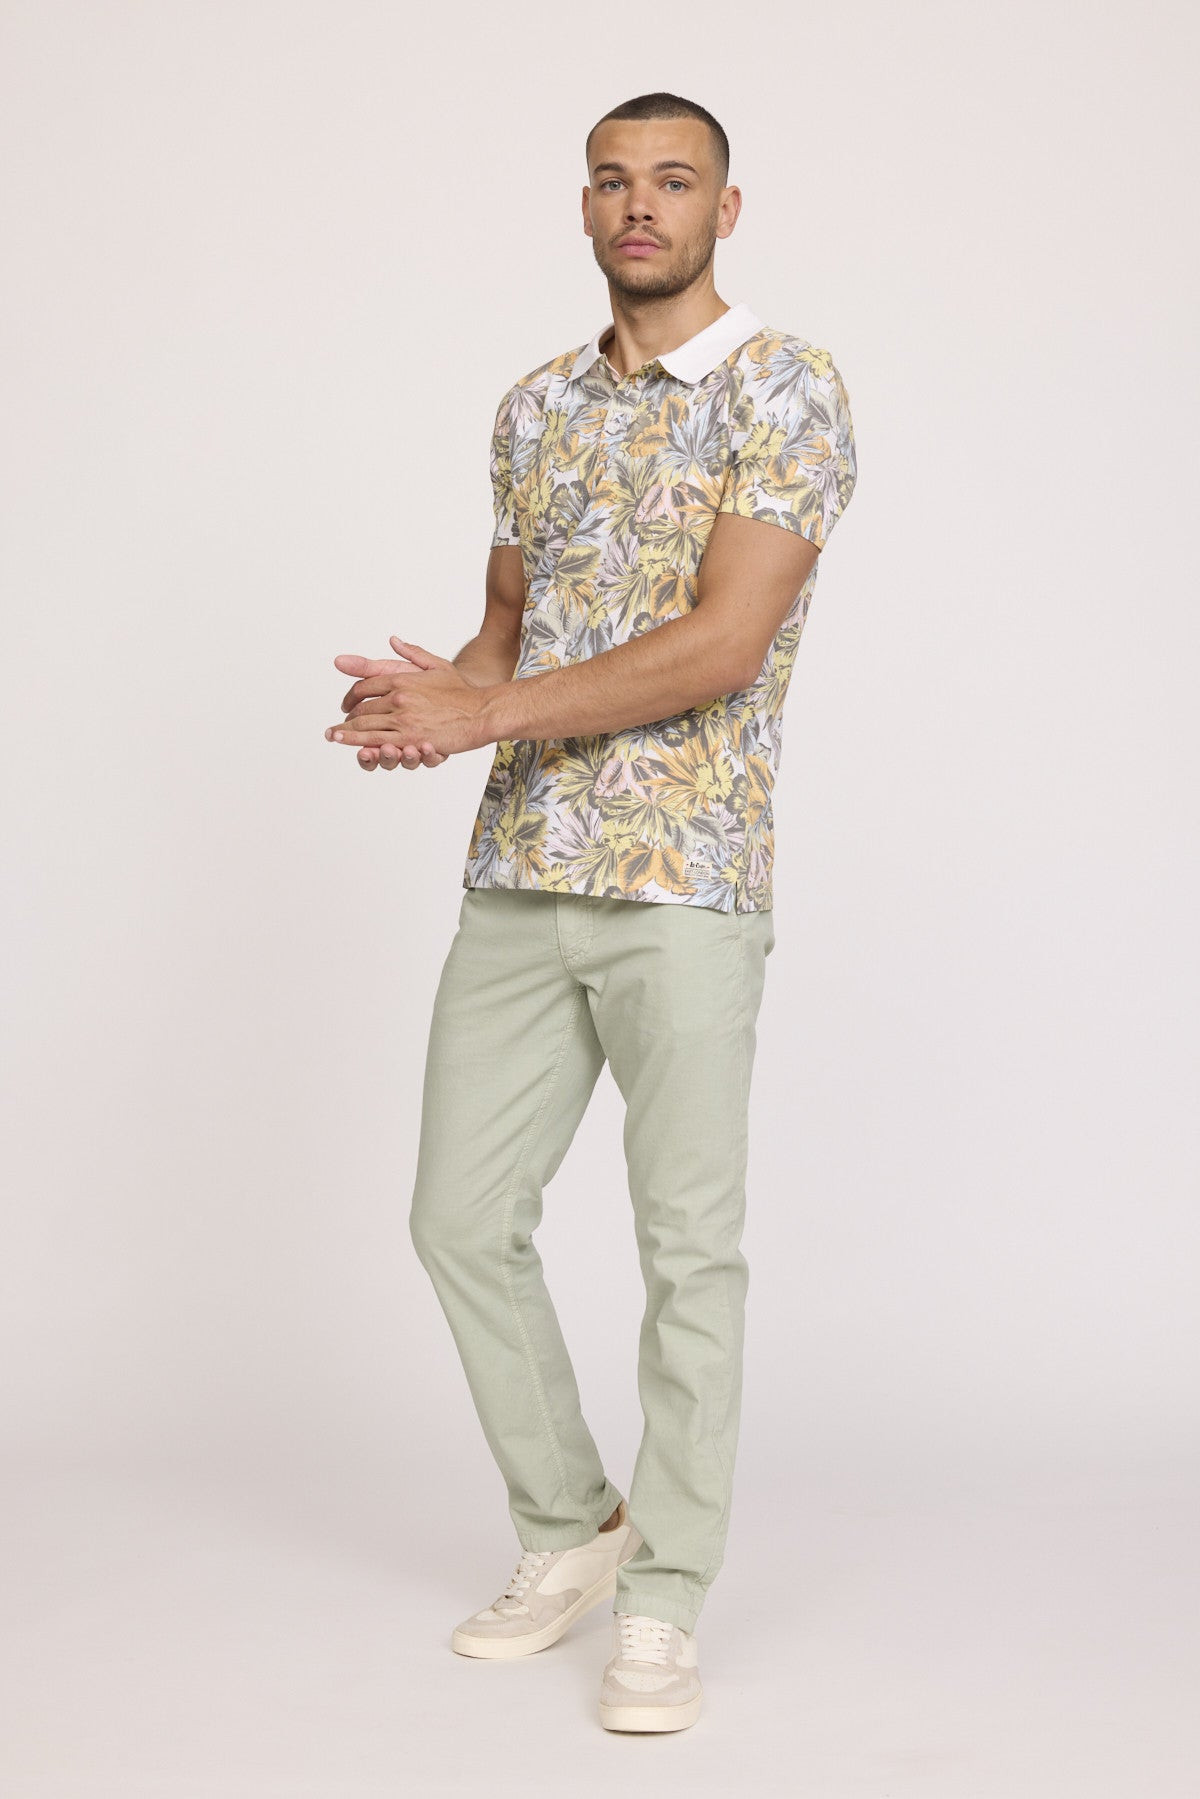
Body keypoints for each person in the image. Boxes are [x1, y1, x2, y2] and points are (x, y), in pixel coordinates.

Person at [324, 90, 858, 1733]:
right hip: (519, 869)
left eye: (675, 181)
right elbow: (509, 630)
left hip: (684, 880)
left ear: (725, 208)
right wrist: (428, 701)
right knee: (456, 1216)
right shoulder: (535, 406)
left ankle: (666, 1599)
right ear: (583, 209)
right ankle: (573, 1524)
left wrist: (490, 711)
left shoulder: (788, 388)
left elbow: (722, 643)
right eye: (615, 181)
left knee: (688, 1251)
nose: (643, 205)